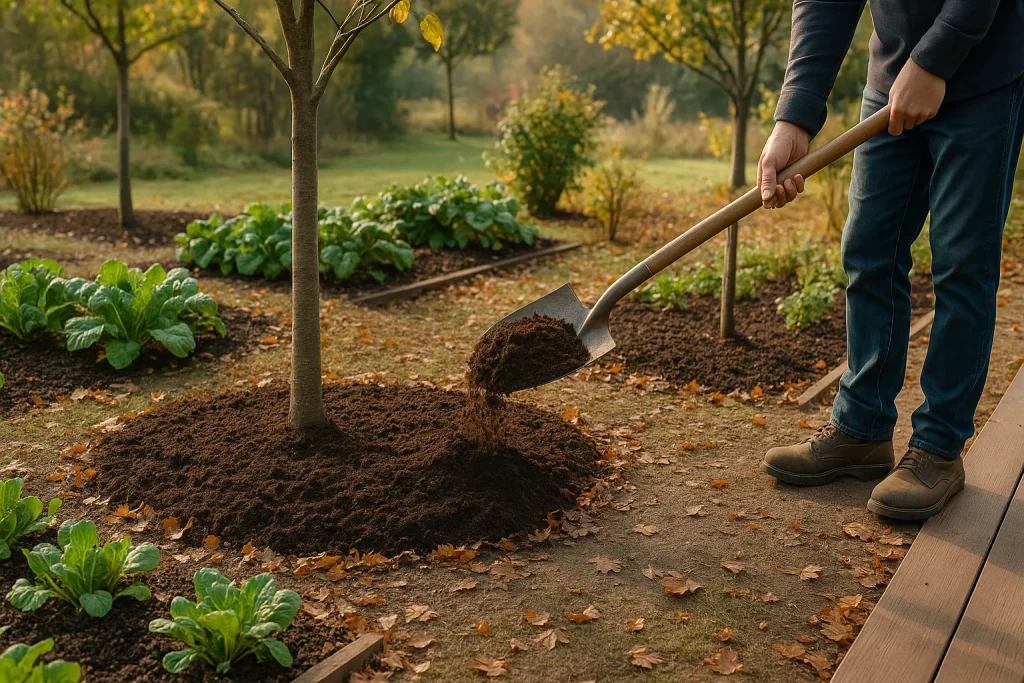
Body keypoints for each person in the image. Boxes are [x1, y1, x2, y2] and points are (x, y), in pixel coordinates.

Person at [758, 0, 1024, 520]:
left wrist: (936, 58)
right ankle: (862, 427)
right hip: (891, 75)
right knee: (868, 251)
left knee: (961, 264)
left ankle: (938, 450)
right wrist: (795, 113)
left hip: (985, 74)